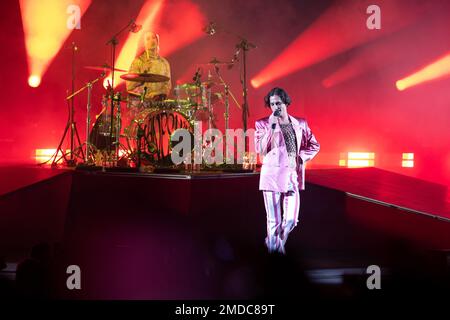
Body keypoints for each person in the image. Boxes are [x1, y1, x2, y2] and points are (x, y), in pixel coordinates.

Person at [254, 87, 320, 254]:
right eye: (272, 104)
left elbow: (314, 145)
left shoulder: (300, 124)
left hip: (292, 176)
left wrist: (301, 158)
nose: (275, 107)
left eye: (278, 103)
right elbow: (260, 149)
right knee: (273, 222)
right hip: (272, 176)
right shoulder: (262, 124)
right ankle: (275, 258)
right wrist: (271, 126)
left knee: (291, 220)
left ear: (286, 103)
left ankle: (273, 245)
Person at [126, 31, 172, 101]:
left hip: (159, 103)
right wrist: (142, 74)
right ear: (144, 44)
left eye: (153, 38)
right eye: (148, 39)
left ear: (157, 41)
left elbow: (168, 86)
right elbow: (129, 86)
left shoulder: (164, 63)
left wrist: (157, 93)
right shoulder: (138, 62)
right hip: (142, 103)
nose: (151, 40)